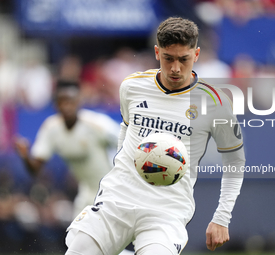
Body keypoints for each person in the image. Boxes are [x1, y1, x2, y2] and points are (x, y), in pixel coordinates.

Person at [65, 17, 245, 255]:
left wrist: (222, 217)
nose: (175, 68)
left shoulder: (216, 102)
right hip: (117, 200)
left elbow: (235, 161)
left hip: (166, 211)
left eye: (184, 59)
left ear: (197, 54)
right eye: (168, 58)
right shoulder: (132, 86)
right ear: (157, 52)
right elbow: (126, 130)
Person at [14, 80, 134, 255]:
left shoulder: (96, 124)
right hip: (87, 192)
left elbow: (128, 141)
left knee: (102, 247)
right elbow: (36, 169)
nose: (66, 105)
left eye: (70, 100)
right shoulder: (51, 128)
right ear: (56, 104)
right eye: (62, 101)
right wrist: (25, 156)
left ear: (79, 101)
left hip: (112, 191)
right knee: (75, 243)